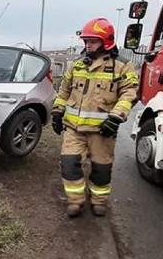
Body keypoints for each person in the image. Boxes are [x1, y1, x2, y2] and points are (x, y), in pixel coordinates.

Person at [51, 18, 139, 218]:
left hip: (102, 131)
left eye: (93, 41)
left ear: (106, 41)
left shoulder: (122, 66)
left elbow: (129, 93)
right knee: (68, 164)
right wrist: (57, 112)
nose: (87, 45)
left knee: (101, 170)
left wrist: (116, 118)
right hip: (73, 129)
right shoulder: (77, 65)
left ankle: (99, 201)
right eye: (86, 41)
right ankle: (75, 201)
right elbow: (63, 91)